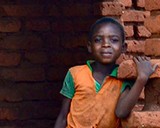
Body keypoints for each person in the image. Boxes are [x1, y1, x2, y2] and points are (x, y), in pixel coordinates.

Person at [54, 17, 157, 128]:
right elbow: (63, 116)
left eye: (114, 40)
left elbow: (121, 112)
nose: (106, 45)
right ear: (89, 46)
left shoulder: (123, 79)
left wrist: (142, 78)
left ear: (123, 47)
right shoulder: (75, 73)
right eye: (98, 40)